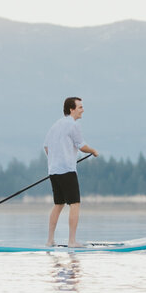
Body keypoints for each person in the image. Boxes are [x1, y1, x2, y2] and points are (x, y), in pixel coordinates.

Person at [42, 97, 99, 246]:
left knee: (58, 204)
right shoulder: (73, 125)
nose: (83, 110)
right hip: (67, 170)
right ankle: (72, 241)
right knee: (75, 203)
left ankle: (50, 240)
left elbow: (46, 147)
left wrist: (56, 159)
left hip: (53, 171)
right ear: (71, 109)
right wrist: (93, 151)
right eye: (80, 107)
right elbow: (81, 146)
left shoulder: (55, 125)